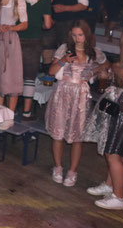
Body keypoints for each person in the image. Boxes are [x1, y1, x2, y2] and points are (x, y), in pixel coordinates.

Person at [87, 23, 123, 210]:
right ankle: (109, 185)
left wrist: (116, 66)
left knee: (113, 152)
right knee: (112, 148)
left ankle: (119, 198)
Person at [46, 20, 106, 187]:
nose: (77, 38)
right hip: (62, 92)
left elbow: (105, 65)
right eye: (74, 35)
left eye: (80, 35)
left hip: (81, 94)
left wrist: (94, 72)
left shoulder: (93, 52)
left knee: (77, 135)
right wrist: (63, 60)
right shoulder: (65, 49)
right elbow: (51, 71)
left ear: (87, 35)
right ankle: (58, 167)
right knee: (58, 133)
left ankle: (73, 171)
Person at [18, 0, 52, 120]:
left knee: (14, 73)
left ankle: (10, 108)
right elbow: (48, 24)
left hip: (17, 37)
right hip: (34, 39)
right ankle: (26, 112)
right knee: (29, 77)